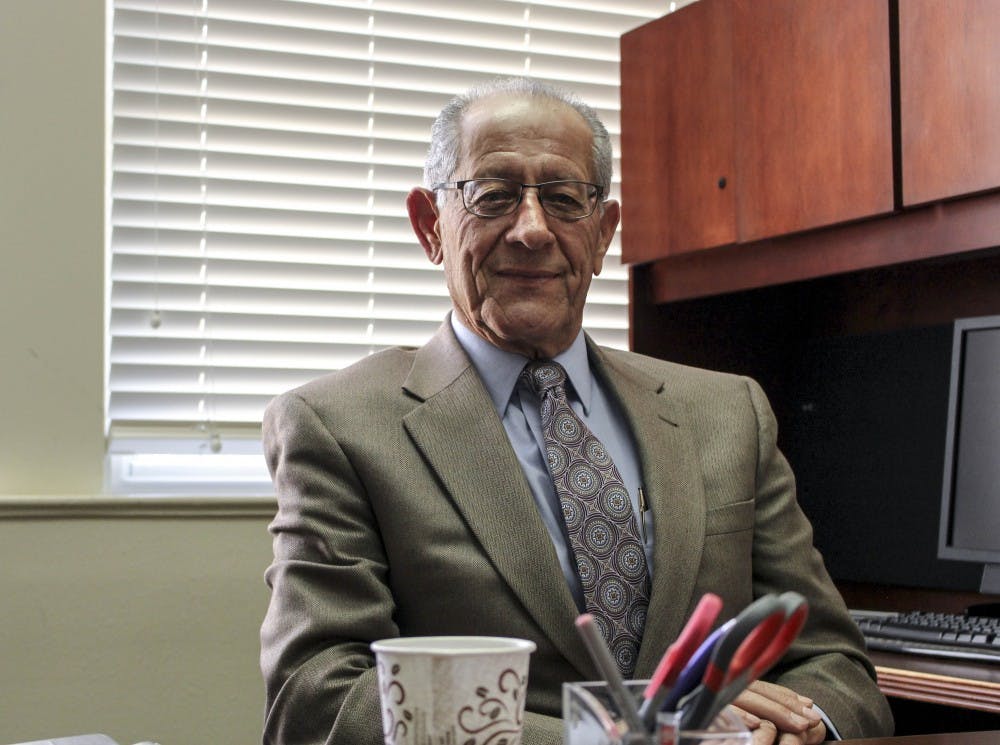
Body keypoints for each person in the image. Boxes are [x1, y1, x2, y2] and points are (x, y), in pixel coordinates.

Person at [259, 76, 894, 745]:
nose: (532, 230)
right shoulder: (338, 425)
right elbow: (318, 693)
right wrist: (605, 737)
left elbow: (836, 666)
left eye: (564, 200)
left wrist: (803, 723)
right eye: (493, 196)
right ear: (430, 226)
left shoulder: (728, 412)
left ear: (602, 233)